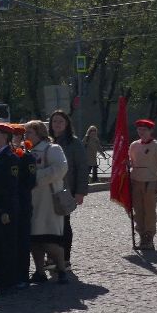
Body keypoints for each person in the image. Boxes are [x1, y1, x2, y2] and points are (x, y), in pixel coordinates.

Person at [0, 122, 29, 293]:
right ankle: (0, 281)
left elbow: (11, 186)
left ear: (4, 136)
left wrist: (6, 211)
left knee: (7, 245)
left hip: (6, 206)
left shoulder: (11, 158)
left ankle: (9, 282)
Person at [25, 119, 71, 283]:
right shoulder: (26, 151)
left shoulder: (52, 149)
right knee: (35, 241)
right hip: (32, 202)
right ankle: (39, 272)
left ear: (39, 133)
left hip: (49, 202)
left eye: (29, 132)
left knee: (51, 240)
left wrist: (34, 178)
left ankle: (61, 269)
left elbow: (60, 169)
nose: (25, 135)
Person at [50, 110, 87, 262]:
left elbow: (82, 168)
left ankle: (65, 258)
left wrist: (80, 192)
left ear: (66, 124)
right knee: (50, 225)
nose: (57, 124)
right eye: (54, 121)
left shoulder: (74, 142)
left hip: (66, 190)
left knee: (64, 224)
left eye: (60, 121)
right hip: (48, 190)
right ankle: (52, 258)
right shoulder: (47, 141)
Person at [126, 118, 157, 252]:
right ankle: (142, 234)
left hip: (150, 182)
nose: (141, 132)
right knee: (138, 211)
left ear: (150, 131)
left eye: (144, 130)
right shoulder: (134, 145)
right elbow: (131, 162)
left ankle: (149, 236)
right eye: (139, 130)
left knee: (149, 211)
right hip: (135, 182)